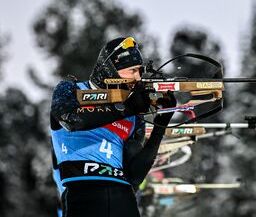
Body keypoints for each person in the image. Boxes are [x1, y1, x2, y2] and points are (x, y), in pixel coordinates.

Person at [50, 37, 175, 217]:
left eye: (140, 71)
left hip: (123, 198)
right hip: (83, 194)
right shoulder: (70, 89)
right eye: (132, 70)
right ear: (111, 69)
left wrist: (161, 123)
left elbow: (134, 176)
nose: (138, 78)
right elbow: (72, 119)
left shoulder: (131, 115)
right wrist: (128, 108)